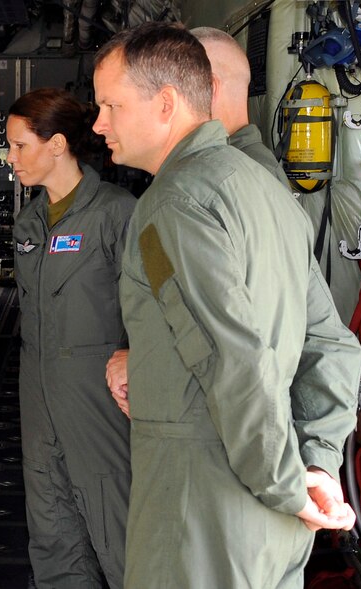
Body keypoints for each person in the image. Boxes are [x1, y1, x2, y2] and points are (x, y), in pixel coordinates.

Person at [92, 22, 361, 588]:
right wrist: (316, 463)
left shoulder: (172, 204)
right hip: (273, 525)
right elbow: (330, 343)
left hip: (200, 517)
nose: (99, 124)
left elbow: (226, 355)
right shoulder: (265, 189)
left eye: (111, 105)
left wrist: (286, 485)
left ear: (165, 103)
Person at [105, 26, 292, 418]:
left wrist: (143, 362)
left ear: (207, 86)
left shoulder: (218, 183)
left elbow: (240, 342)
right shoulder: (218, 175)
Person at [8, 87, 136, 588]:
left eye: (20, 146)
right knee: (51, 526)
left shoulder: (117, 213)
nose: (11, 157)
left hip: (99, 398)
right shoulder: (28, 222)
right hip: (38, 396)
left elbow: (154, 306)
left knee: (115, 524)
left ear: (57, 145)